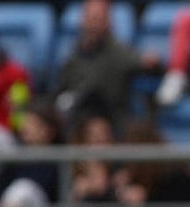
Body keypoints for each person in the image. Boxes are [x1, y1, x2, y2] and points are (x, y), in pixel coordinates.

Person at [53, 0, 158, 133]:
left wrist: (153, 63)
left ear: (108, 22)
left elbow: (148, 66)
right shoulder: (73, 57)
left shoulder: (118, 54)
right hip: (77, 125)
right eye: (90, 18)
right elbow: (59, 89)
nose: (93, 24)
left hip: (111, 125)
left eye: (98, 19)